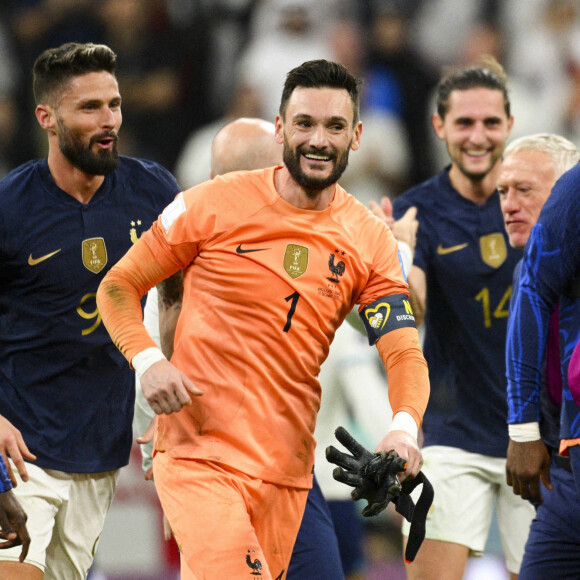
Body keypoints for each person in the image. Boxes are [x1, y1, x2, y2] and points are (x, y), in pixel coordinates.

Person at [97, 59, 430, 580]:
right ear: (280, 129)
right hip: (199, 456)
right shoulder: (208, 205)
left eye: (335, 126)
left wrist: (403, 428)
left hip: (288, 474)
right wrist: (149, 363)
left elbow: (403, 349)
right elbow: (117, 286)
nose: (318, 140)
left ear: (357, 135)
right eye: (305, 124)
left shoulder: (368, 240)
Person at [0, 42, 181, 579]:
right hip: (17, 448)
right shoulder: (10, 208)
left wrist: (171, 413)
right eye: (90, 108)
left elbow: (179, 300)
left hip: (99, 448)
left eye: (115, 104)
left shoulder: (154, 192)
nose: (109, 121)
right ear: (47, 118)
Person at [393, 56, 535, 580]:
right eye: (464, 123)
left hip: (536, 434)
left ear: (510, 125)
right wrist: (400, 259)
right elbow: (414, 310)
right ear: (439, 126)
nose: (478, 136)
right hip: (450, 436)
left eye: (491, 123)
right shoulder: (416, 213)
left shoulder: (545, 201)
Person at [502, 134, 580, 579]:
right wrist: (526, 433)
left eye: (525, 190)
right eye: (503, 192)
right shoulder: (527, 277)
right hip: (561, 470)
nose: (509, 204)